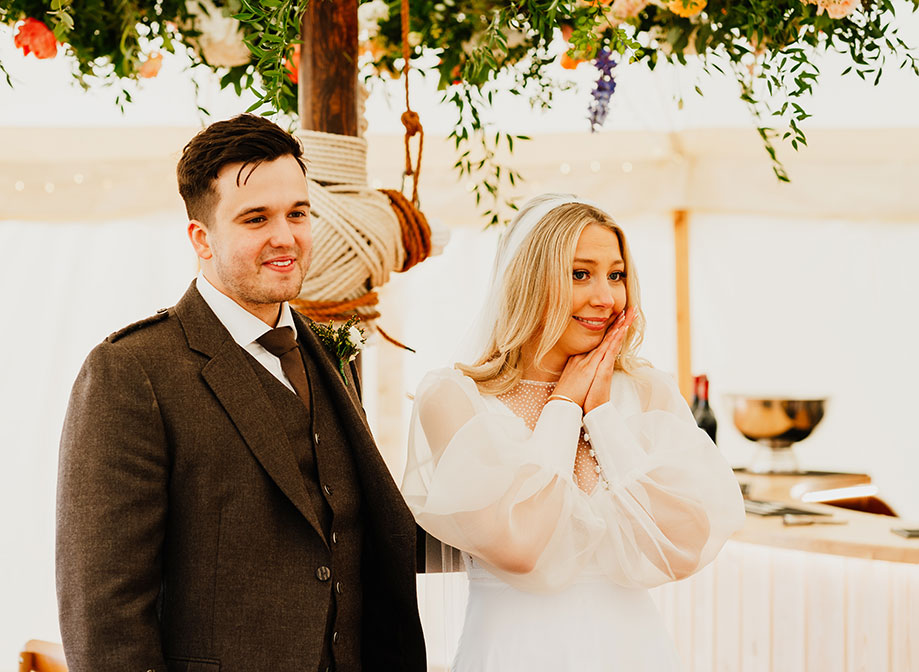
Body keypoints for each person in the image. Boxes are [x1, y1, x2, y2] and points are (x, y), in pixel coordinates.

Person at [56, 114, 426, 672]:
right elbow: (103, 611)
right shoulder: (131, 371)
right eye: (256, 218)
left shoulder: (332, 355)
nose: (286, 236)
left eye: (297, 213)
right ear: (201, 238)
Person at [401, 194, 745, 671]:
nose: (605, 297)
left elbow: (683, 544)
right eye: (580, 274)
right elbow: (521, 549)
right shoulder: (455, 398)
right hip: (511, 656)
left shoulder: (646, 392)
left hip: (637, 655)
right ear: (528, 280)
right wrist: (564, 406)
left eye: (616, 274)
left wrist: (601, 415)